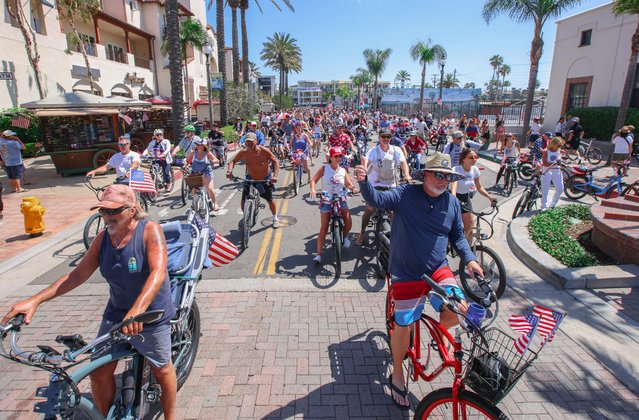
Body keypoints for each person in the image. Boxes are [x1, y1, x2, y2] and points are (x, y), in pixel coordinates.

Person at [2, 184, 177, 419]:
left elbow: (158, 272)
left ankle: (171, 415)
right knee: (99, 371)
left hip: (150, 313)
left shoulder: (149, 230)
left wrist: (137, 310)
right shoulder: (104, 238)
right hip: (117, 313)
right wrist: (35, 300)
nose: (107, 217)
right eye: (104, 212)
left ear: (133, 210)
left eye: (114, 211)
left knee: (162, 368)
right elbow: (77, 275)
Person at [352, 153, 483, 409]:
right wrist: (365, 181)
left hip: (437, 270)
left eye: (448, 176)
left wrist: (470, 260)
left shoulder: (451, 203)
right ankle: (398, 372)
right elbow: (376, 199)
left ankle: (441, 335)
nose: (443, 181)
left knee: (459, 308)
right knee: (404, 324)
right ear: (426, 175)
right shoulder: (405, 195)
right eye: (438, 175)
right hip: (406, 272)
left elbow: (458, 236)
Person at [356, 128, 411, 247]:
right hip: (375, 184)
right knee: (369, 209)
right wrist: (364, 170)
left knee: (393, 212)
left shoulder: (396, 150)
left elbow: (403, 163)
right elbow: (366, 161)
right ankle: (362, 233)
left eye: (388, 137)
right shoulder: (373, 151)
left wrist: (406, 174)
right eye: (383, 137)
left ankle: (397, 236)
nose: (386, 139)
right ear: (379, 138)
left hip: (391, 184)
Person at [309, 146, 358, 263]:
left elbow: (349, 184)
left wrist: (353, 188)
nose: (338, 158)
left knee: (348, 222)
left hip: (340, 198)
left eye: (340, 156)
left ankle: (344, 236)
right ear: (330, 157)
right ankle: (319, 254)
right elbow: (313, 180)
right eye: (336, 156)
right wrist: (313, 189)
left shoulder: (343, 170)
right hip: (327, 198)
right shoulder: (324, 168)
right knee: (324, 227)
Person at [226, 132, 280, 229]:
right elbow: (232, 161)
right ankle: (246, 216)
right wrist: (229, 171)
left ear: (256, 141)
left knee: (270, 200)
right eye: (247, 142)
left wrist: (275, 176)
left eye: (251, 141)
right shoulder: (244, 152)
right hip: (250, 179)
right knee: (243, 201)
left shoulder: (264, 151)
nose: (249, 144)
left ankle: (275, 218)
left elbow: (275, 161)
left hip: (264, 179)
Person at [450, 148, 497, 238]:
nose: (474, 159)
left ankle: (467, 249)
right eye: (471, 157)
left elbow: (479, 186)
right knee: (452, 225)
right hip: (453, 197)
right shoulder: (456, 169)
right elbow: (454, 186)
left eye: (476, 157)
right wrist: (453, 199)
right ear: (463, 159)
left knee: (471, 226)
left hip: (465, 198)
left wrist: (489, 197)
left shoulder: (475, 170)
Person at [186, 138, 220, 212]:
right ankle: (195, 203)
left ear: (204, 146)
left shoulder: (207, 153)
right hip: (196, 173)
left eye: (201, 145)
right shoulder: (193, 153)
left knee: (210, 188)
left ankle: (215, 203)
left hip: (206, 172)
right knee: (194, 189)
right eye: (198, 145)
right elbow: (187, 161)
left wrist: (214, 161)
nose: (199, 146)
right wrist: (185, 164)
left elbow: (216, 159)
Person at [540, 137, 565, 211]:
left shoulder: (558, 149)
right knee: (545, 189)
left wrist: (560, 158)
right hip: (547, 171)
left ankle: (553, 204)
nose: (560, 147)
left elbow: (559, 156)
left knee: (560, 188)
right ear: (554, 144)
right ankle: (543, 206)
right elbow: (544, 163)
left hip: (557, 171)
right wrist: (555, 163)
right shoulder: (546, 151)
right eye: (559, 145)